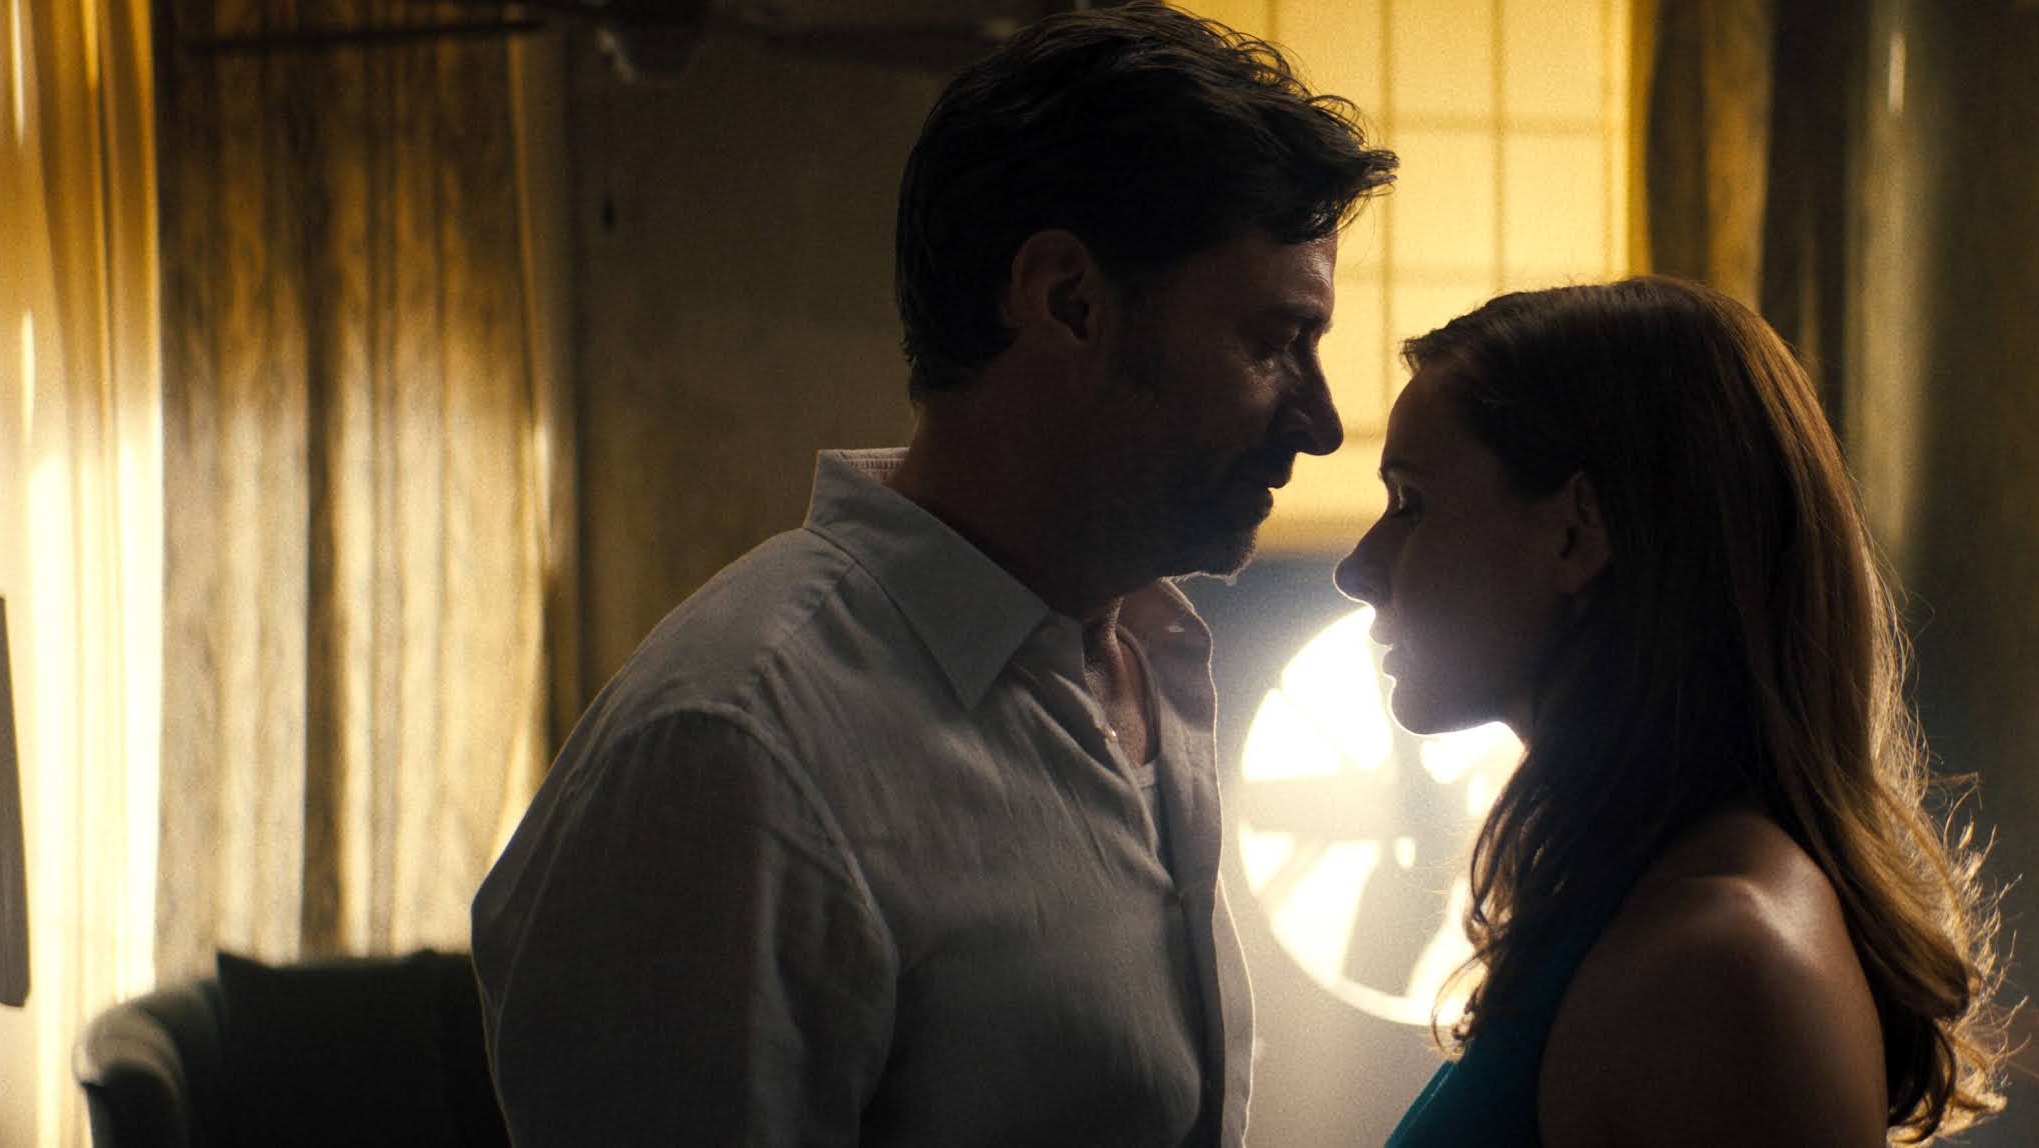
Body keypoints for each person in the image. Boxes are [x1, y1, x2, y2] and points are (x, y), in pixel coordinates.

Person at [471, 6, 1394, 1145]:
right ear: (1067, 302)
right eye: (1272, 342)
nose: (1320, 422)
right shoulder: (737, 751)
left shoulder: (1150, 655)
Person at [1336, 276, 2009, 1146]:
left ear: (1577, 532)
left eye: (1411, 504)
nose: (1357, 567)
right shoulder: (1645, 902)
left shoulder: (1715, 967)